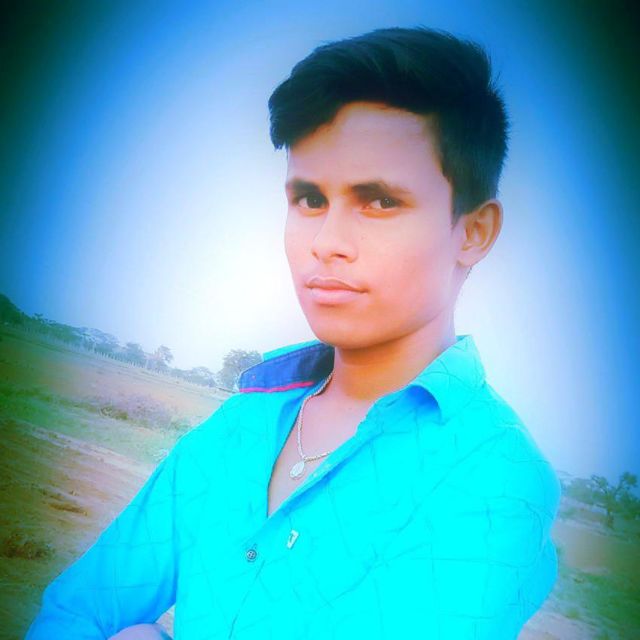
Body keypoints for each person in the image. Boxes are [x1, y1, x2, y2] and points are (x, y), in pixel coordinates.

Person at [25, 26, 561, 639]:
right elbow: (77, 610)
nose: (326, 242)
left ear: (474, 232)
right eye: (309, 199)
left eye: (379, 201)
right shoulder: (242, 423)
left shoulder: (496, 478)